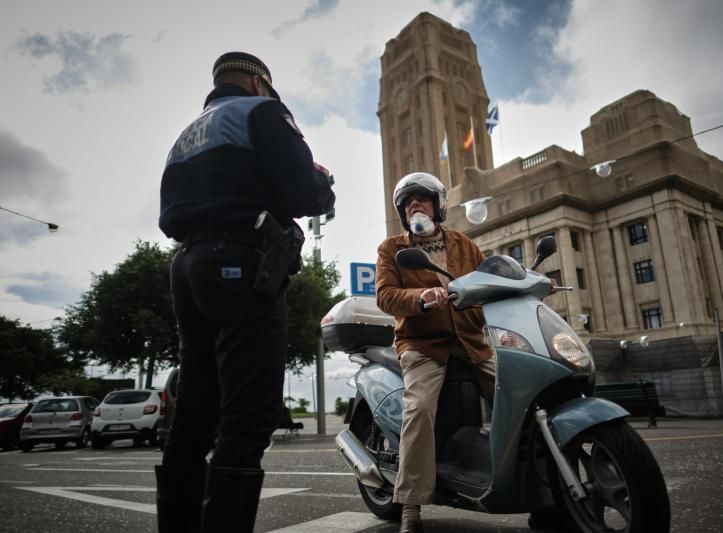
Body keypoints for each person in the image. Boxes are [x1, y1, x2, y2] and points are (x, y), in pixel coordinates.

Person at [155, 51, 335, 533]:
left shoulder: (187, 134)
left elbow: (167, 211)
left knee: (194, 411)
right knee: (247, 414)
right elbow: (303, 194)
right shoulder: (264, 113)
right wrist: (322, 181)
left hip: (188, 267)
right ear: (259, 83)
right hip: (241, 263)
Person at [375, 172, 495, 533]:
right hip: (423, 344)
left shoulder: (464, 244)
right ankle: (410, 504)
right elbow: (385, 296)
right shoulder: (392, 249)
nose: (415, 205)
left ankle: (543, 485)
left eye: (422, 199)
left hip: (472, 340)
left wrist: (530, 284)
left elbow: (490, 279)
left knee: (521, 393)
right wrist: (421, 299)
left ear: (438, 206)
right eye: (408, 202)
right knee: (420, 408)